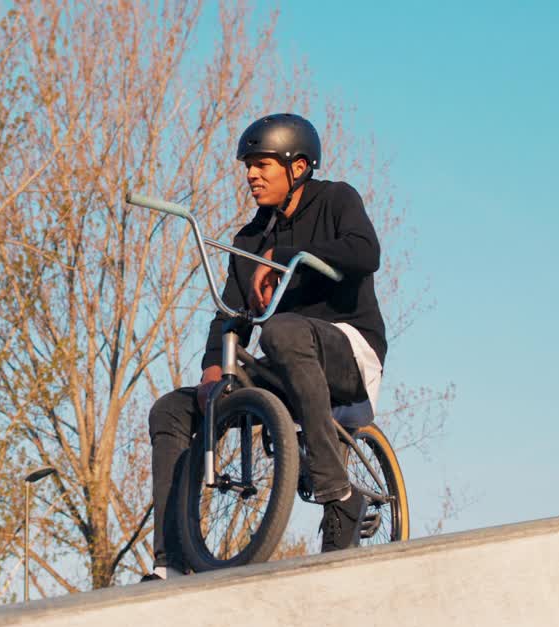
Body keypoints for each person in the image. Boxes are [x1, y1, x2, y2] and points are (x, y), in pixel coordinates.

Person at [144, 113, 388, 581]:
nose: (251, 176)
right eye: (247, 167)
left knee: (282, 331)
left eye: (262, 165)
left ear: (298, 168)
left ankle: (338, 494)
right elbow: (231, 314)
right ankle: (170, 561)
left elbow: (365, 252)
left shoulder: (337, 200)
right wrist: (214, 368)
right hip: (285, 361)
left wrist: (284, 261)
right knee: (172, 410)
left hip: (349, 351)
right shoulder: (250, 238)